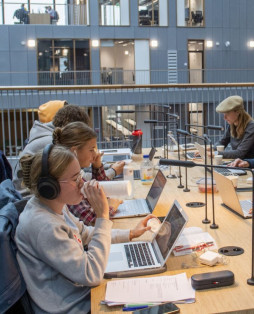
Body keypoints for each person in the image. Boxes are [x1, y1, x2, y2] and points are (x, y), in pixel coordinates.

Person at [15, 145, 154, 313]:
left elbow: (86, 234)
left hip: (80, 294)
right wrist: (103, 216)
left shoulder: (55, 206)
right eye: (75, 179)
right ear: (49, 187)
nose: (83, 183)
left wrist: (130, 233)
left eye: (81, 175)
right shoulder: (44, 226)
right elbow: (92, 274)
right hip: (73, 307)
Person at [52, 121, 123, 225]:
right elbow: (92, 221)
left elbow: (100, 191)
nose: (96, 153)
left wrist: (97, 165)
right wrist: (111, 207)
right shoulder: (67, 181)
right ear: (74, 151)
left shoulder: (76, 173)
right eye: (91, 149)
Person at [14, 104, 95, 193]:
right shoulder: (53, 145)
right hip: (29, 198)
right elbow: (71, 181)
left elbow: (78, 176)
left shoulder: (49, 137)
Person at [213, 95, 254, 159]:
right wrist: (210, 150)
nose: (224, 118)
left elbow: (239, 153)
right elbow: (222, 142)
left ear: (237, 112)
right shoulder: (232, 125)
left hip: (250, 166)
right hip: (237, 163)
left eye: (227, 113)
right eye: (223, 114)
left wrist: (215, 153)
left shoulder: (253, 127)